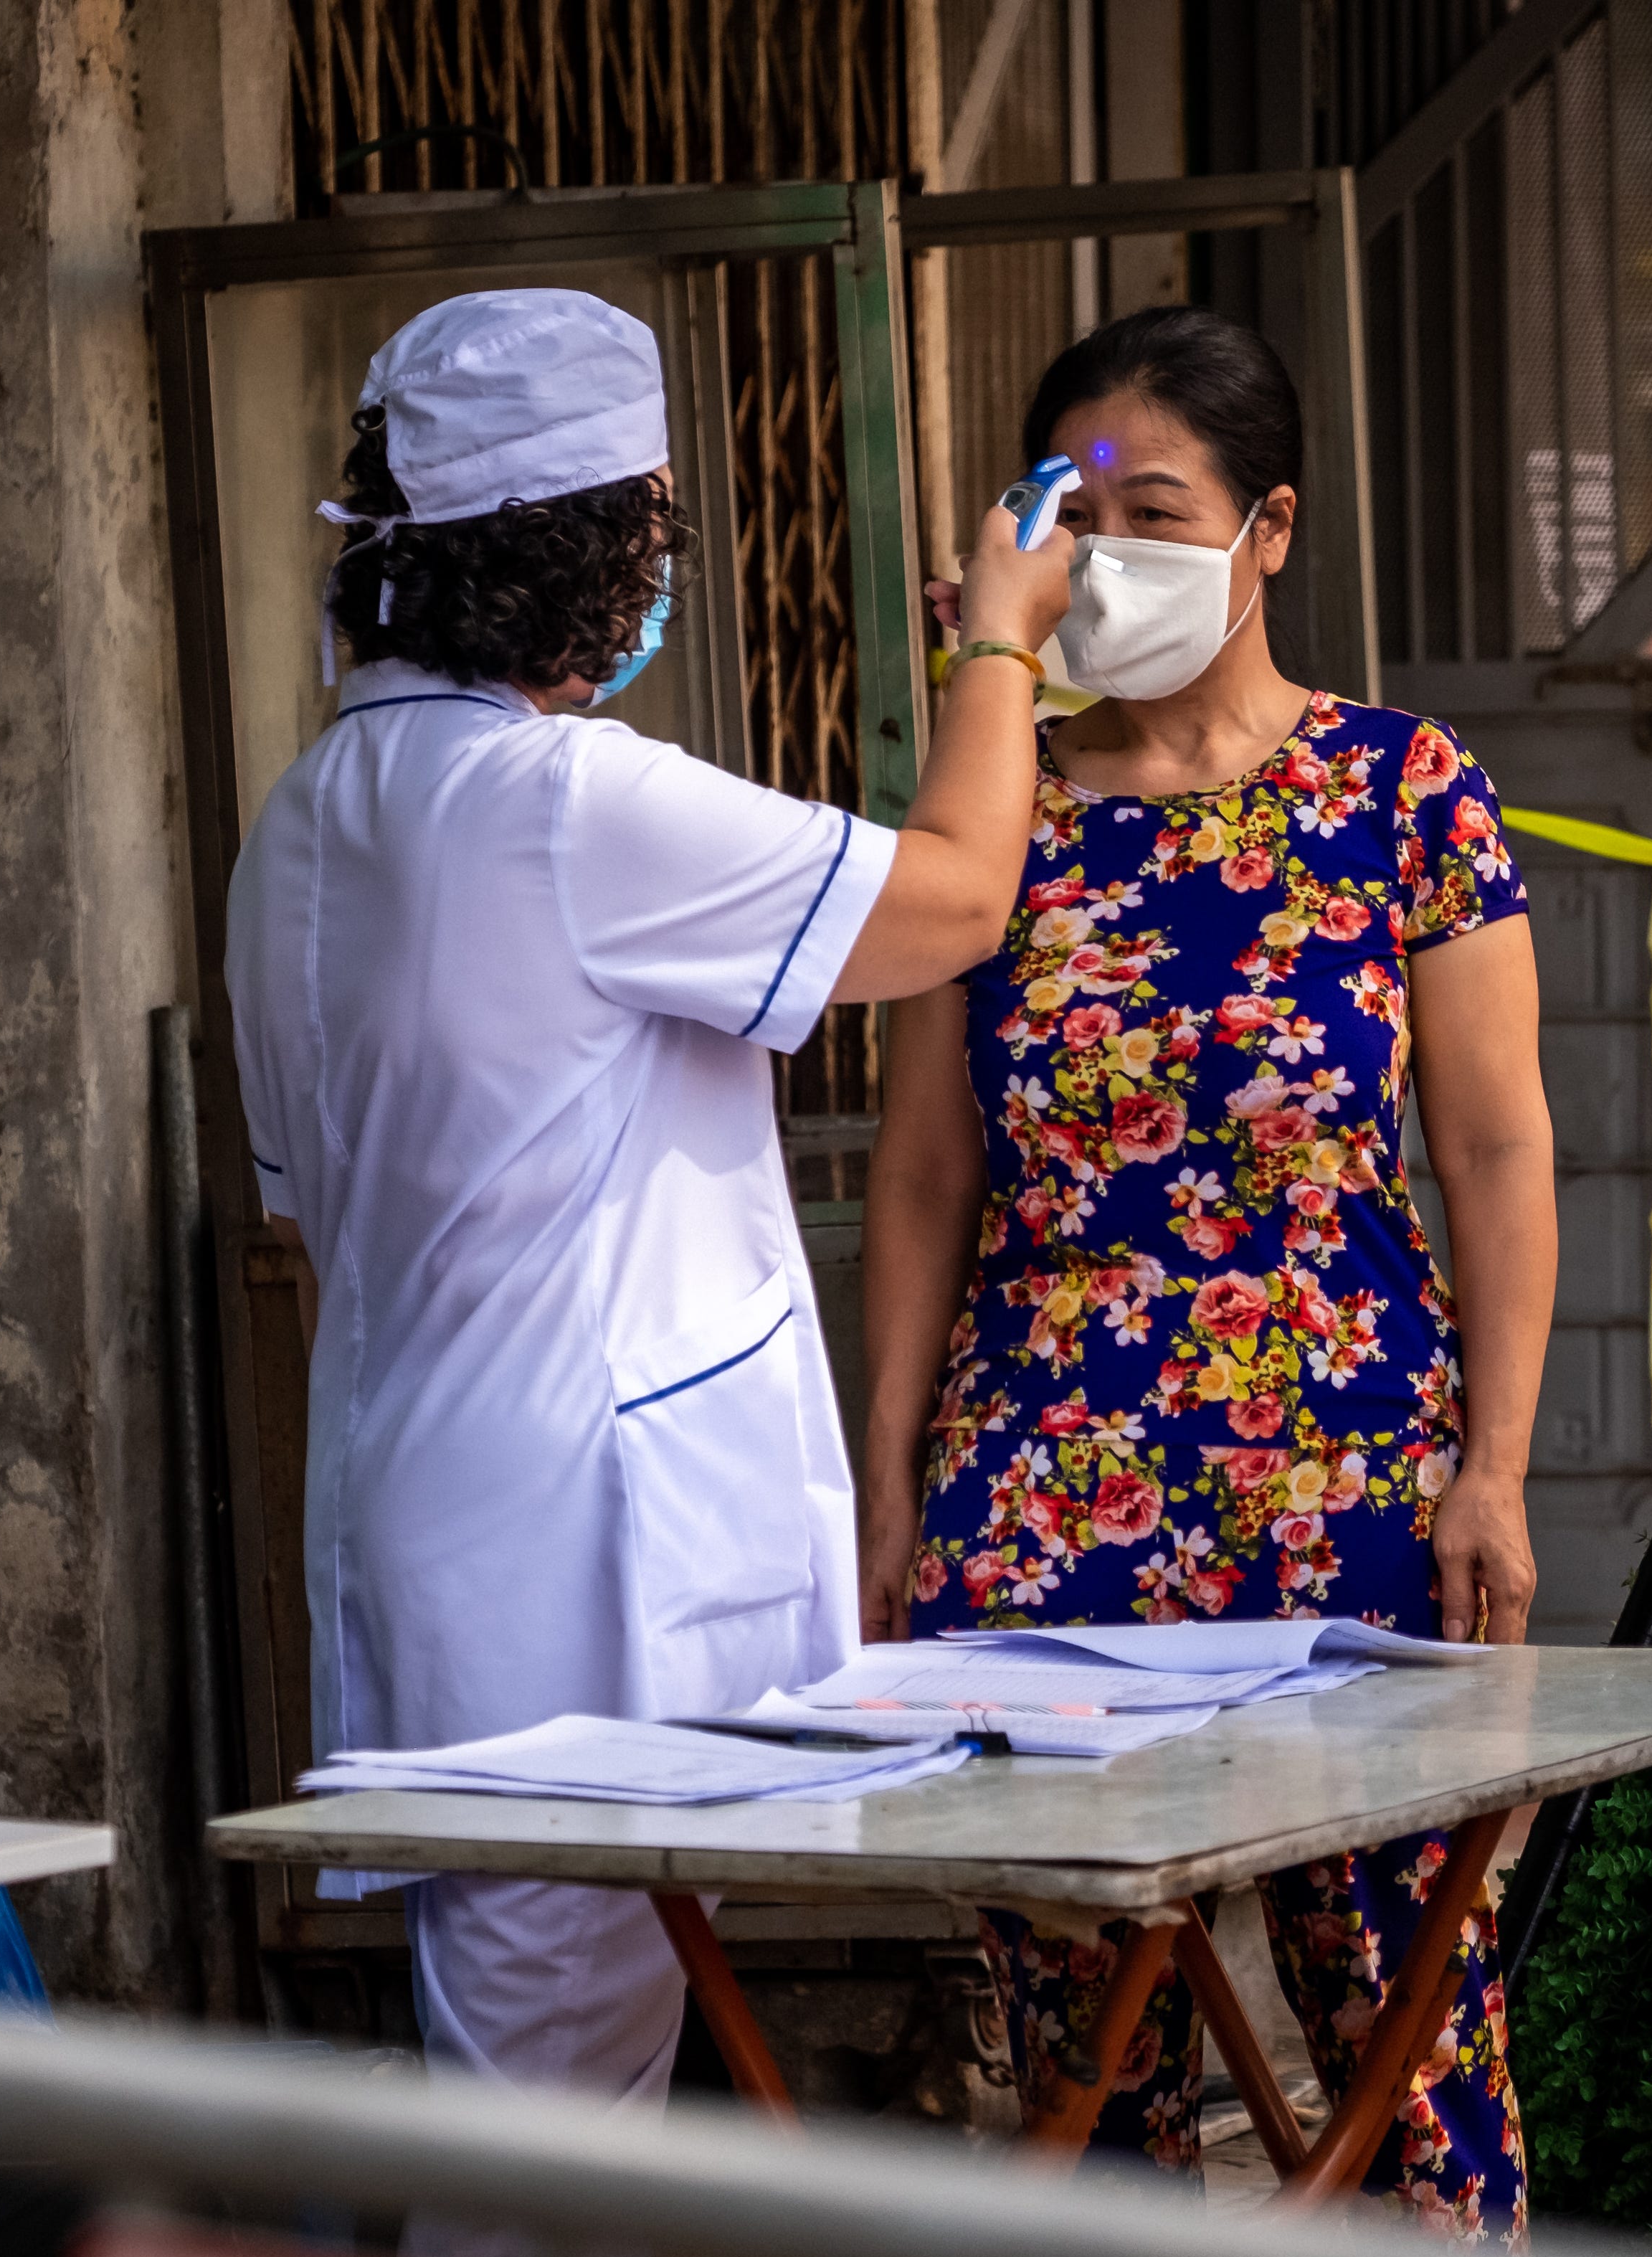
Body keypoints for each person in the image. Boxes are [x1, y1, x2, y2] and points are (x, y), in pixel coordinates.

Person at [227, 288, 1076, 2131]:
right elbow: (950, 901)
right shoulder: (561, 800)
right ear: (597, 557)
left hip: (429, 1517)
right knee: (554, 2121)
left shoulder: (302, 824)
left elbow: (312, 1208)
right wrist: (1001, 651)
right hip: (567, 1563)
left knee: (545, 2069)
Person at [858, 303, 1557, 2257]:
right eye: (1066, 519)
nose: (1100, 564)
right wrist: (885, 1485)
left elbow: (1502, 1152)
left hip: (1346, 1481)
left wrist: (1499, 1463)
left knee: (1401, 2014)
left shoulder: (1400, 793)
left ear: (1267, 531)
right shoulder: (1000, 826)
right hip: (1042, 1502)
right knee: (1088, 2051)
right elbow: (926, 1182)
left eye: (1149, 515)